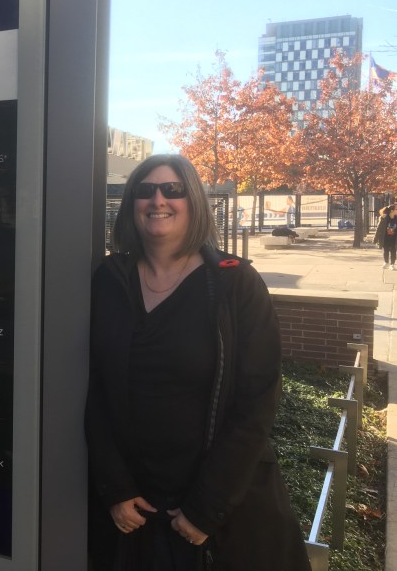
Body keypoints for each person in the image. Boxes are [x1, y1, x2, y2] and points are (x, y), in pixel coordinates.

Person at [85, 154, 311, 570]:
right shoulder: (109, 279)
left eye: (173, 190)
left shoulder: (234, 283)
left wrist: (208, 507)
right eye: (145, 190)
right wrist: (115, 487)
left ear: (194, 202)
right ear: (132, 204)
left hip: (211, 512)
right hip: (133, 512)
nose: (158, 200)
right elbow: (94, 388)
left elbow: (257, 401)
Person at [373, 206, 397, 270]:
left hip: (394, 239)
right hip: (385, 238)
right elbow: (379, 228)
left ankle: (392, 264)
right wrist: (375, 238)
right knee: (385, 251)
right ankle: (386, 262)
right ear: (392, 210)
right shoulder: (384, 218)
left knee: (393, 251)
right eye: (396, 209)